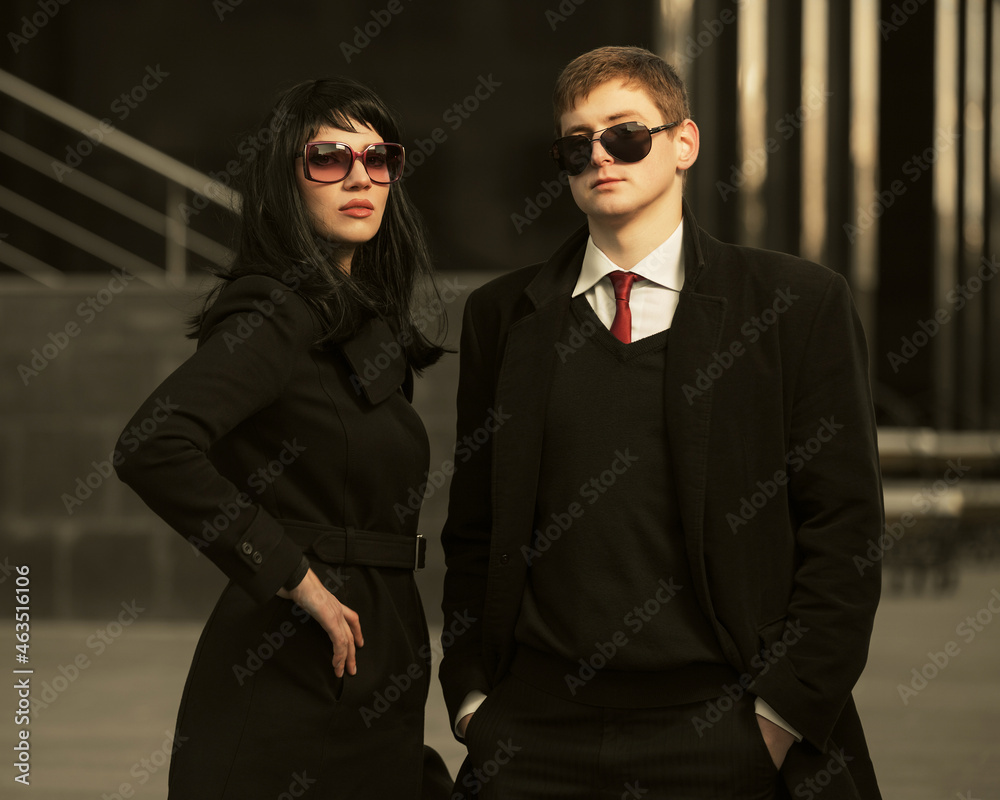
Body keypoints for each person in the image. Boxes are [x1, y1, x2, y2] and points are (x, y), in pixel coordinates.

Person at [439, 46, 883, 799]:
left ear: (685, 143)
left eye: (626, 135)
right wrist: (473, 697)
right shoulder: (502, 317)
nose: (599, 157)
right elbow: (476, 525)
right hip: (535, 735)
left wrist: (779, 718)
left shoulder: (796, 305)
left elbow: (844, 532)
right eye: (576, 144)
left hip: (728, 726)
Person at [116, 77, 452, 798]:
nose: (360, 176)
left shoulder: (361, 326)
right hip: (291, 676)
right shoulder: (275, 313)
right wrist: (293, 576)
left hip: (375, 666)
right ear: (287, 182)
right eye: (329, 158)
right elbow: (152, 443)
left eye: (378, 157)